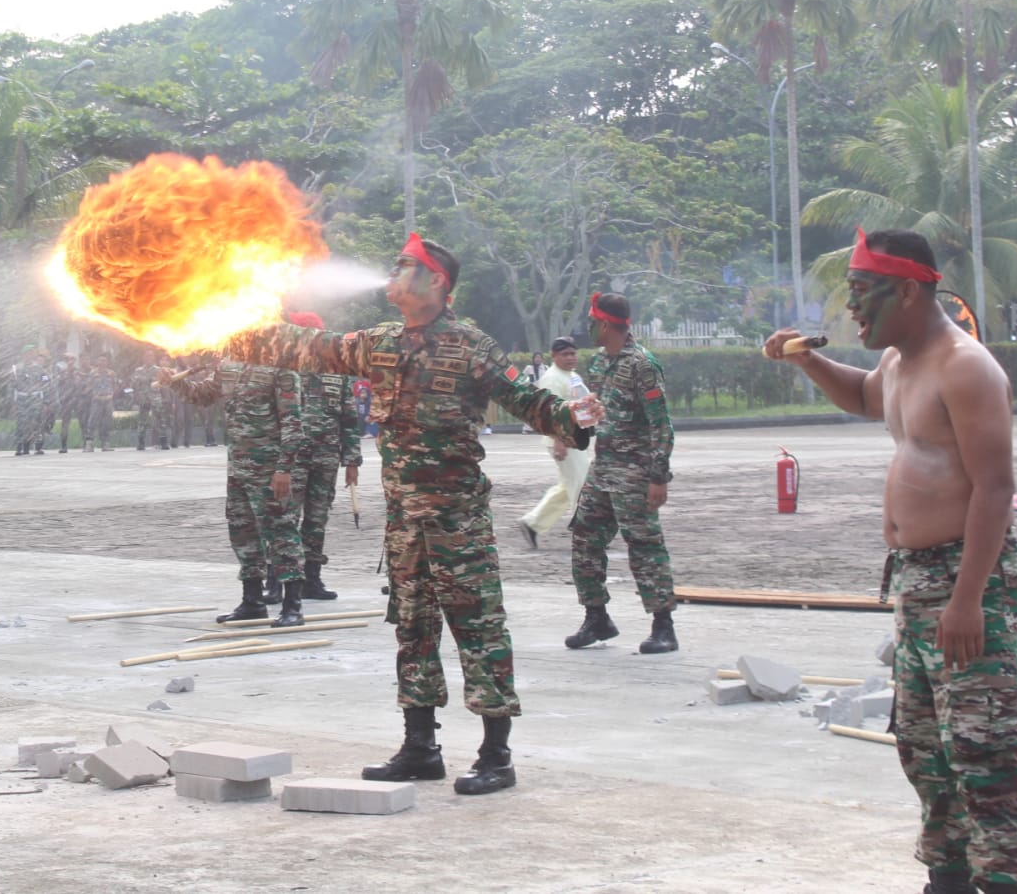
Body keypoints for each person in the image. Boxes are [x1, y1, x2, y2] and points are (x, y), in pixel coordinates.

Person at [224, 233, 598, 797]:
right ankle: (420, 747)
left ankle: (497, 754)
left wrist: (574, 418)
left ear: (436, 283)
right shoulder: (378, 343)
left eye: (405, 266)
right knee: (412, 629)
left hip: (457, 518)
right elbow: (308, 348)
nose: (393, 275)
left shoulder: (471, 345)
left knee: (478, 628)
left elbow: (527, 401)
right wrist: (225, 328)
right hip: (403, 521)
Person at [765, 228, 1017, 894]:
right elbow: (863, 396)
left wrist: (967, 597)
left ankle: (1002, 877)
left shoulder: (963, 366)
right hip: (916, 583)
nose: (851, 310)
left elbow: (994, 488)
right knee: (923, 747)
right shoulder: (898, 360)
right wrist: (806, 362)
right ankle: (945, 875)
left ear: (908, 292)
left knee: (979, 747)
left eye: (862, 294)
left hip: (964, 576)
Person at [565, 292, 678, 655]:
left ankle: (663, 625)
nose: (587, 328)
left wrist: (658, 476)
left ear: (604, 323)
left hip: (635, 470)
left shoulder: (642, 364)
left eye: (591, 321)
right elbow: (595, 411)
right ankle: (596, 617)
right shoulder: (599, 364)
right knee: (584, 538)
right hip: (604, 466)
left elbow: (661, 424)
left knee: (644, 546)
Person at [162, 355, 308, 628]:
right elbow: (202, 396)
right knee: (242, 532)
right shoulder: (228, 368)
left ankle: (292, 606)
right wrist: (174, 383)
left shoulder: (282, 370)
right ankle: (252, 601)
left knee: (281, 533)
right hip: (239, 467)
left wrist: (284, 468)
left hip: (270, 467)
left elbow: (293, 422)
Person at [284, 311, 362, 601]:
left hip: (326, 458)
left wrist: (351, 461)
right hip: (291, 458)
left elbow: (349, 419)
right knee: (285, 518)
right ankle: (278, 579)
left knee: (316, 520)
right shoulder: (283, 367)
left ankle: (312, 579)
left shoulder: (337, 370)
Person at [518, 337, 591, 549]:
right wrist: (558, 440)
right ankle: (586, 532)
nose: (570, 357)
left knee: (567, 486)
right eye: (565, 354)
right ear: (554, 356)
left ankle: (532, 523)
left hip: (575, 438)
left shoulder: (572, 375)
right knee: (582, 485)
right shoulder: (551, 379)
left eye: (573, 353)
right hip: (563, 440)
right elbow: (547, 413)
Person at [10, 346, 49, 455]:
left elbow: (46, 383)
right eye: (27, 353)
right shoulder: (17, 369)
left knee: (36, 422)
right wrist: (12, 403)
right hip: (22, 399)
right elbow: (12, 387)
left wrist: (46, 402)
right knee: (21, 423)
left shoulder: (39, 369)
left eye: (31, 353)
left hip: (35, 399)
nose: (29, 355)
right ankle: (20, 446)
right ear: (23, 355)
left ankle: (37, 447)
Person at [132, 348, 171, 451]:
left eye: (151, 356)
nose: (149, 358)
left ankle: (163, 441)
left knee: (160, 420)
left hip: (155, 398)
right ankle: (141, 443)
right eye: (147, 356)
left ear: (154, 358)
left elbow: (164, 384)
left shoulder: (159, 370)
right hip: (143, 398)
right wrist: (136, 397)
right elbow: (135, 385)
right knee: (142, 421)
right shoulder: (138, 370)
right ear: (143, 358)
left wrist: (166, 397)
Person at [53, 355, 88, 453]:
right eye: (67, 360)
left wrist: (82, 394)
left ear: (74, 361)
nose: (70, 362)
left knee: (83, 422)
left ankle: (86, 444)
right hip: (67, 400)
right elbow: (58, 383)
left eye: (71, 360)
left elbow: (84, 383)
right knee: (65, 424)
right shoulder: (62, 373)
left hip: (77, 399)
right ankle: (64, 446)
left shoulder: (79, 372)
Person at [84, 354, 117, 451]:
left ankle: (106, 443)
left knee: (107, 422)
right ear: (97, 362)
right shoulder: (93, 373)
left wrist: (112, 394)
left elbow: (116, 385)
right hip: (97, 400)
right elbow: (88, 385)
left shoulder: (112, 373)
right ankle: (89, 443)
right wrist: (91, 394)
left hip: (108, 400)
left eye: (104, 361)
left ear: (107, 362)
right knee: (92, 421)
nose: (102, 363)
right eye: (100, 360)